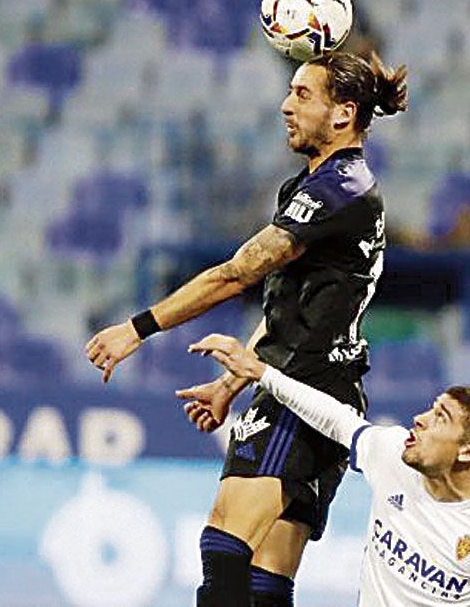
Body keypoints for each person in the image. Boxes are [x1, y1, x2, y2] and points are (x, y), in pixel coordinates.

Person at [85, 51, 407, 606]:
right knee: (265, 580)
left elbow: (237, 274)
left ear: (343, 114)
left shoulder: (339, 188)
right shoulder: (318, 185)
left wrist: (137, 329)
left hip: (303, 391)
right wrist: (230, 383)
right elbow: (294, 310)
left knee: (224, 547)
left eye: (303, 95)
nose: (286, 105)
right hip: (322, 388)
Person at [180, 333, 470, 606]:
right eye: (431, 407)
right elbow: (335, 419)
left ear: (468, 452)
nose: (420, 418)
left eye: (440, 417)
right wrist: (261, 373)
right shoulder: (392, 455)